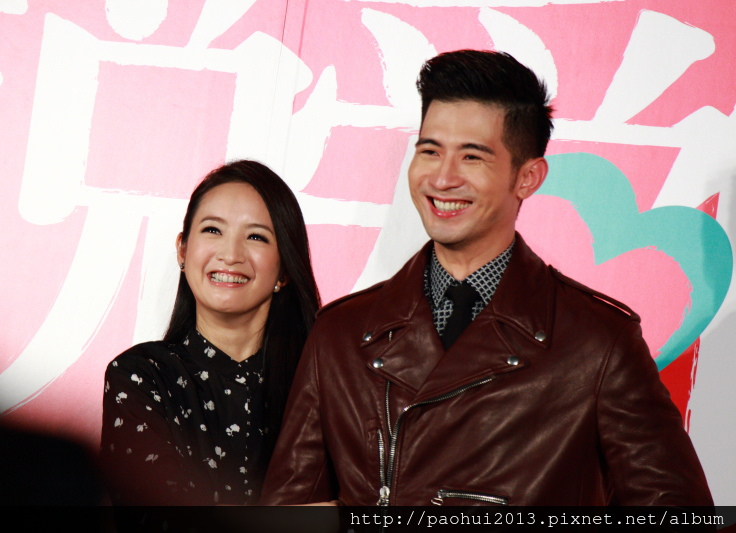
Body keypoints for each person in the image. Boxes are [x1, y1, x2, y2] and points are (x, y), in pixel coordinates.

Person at [260, 50, 713, 506]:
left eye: (472, 157)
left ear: (528, 177)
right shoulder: (340, 334)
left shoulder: (597, 343)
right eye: (430, 151)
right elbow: (289, 509)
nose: (443, 178)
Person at [100, 160, 320, 506]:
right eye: (213, 230)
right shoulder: (140, 376)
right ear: (183, 249)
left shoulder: (321, 382)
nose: (230, 255)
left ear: (284, 270)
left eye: (256, 237)